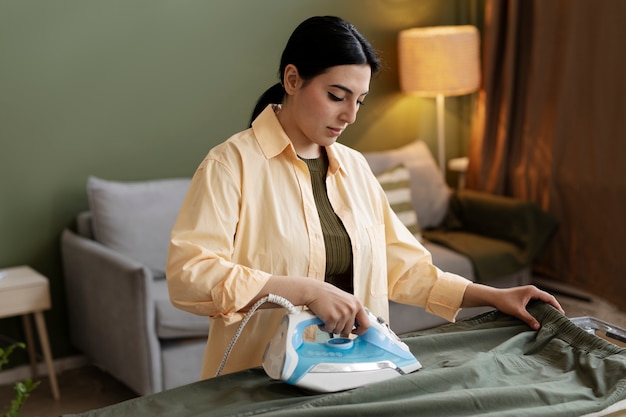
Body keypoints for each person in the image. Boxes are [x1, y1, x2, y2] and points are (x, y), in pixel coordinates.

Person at [166, 15, 563, 380]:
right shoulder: (230, 164)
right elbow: (189, 276)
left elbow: (404, 267)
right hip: (259, 381)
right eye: (337, 96)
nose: (350, 116)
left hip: (356, 373)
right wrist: (307, 290)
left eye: (359, 100)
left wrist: (494, 296)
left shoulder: (355, 169)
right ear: (292, 79)